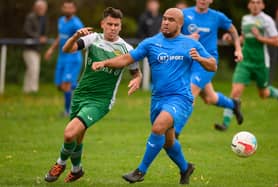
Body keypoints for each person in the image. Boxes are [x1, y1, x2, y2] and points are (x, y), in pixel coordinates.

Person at [92, 8, 216, 185]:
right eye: (164, 19)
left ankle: (140, 171)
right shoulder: (150, 43)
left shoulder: (190, 44)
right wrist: (105, 62)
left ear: (180, 24)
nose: (165, 22)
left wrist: (201, 60)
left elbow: (213, 65)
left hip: (180, 99)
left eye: (171, 20)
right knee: (168, 142)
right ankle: (185, 168)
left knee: (158, 128)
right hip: (158, 99)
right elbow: (126, 59)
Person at [44, 7, 142, 183]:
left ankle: (60, 163)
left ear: (120, 27)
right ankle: (76, 169)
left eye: (116, 25)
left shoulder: (126, 49)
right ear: (102, 24)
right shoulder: (92, 38)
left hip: (101, 101)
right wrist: (75, 36)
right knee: (77, 136)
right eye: (110, 24)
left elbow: (136, 72)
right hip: (81, 94)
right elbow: (67, 50)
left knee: (69, 133)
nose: (113, 28)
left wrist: (137, 79)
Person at [180, 0, 243, 135]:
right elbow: (173, 34)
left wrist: (238, 49)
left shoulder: (216, 16)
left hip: (207, 61)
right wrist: (188, 37)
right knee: (210, 98)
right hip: (189, 60)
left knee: (190, 93)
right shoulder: (184, 14)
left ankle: (175, 133)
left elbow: (232, 29)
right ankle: (233, 104)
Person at [215, 0, 278, 131]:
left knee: (264, 93)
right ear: (249, 5)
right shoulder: (245, 19)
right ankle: (225, 124)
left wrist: (260, 38)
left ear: (262, 5)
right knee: (235, 92)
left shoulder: (267, 20)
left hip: (261, 63)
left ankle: (277, 93)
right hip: (245, 61)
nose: (255, 5)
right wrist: (232, 39)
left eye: (258, 2)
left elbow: (276, 41)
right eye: (252, 2)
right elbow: (243, 38)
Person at [44, 0, 84, 116]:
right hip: (62, 57)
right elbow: (60, 37)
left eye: (70, 8)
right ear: (62, 9)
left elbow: (83, 40)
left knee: (66, 86)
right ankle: (87, 88)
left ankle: (68, 111)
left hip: (72, 58)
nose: (68, 10)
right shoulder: (61, 20)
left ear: (74, 10)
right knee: (60, 85)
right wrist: (51, 49)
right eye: (65, 7)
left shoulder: (77, 24)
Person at [23, 0, 48, 93]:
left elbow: (44, 33)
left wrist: (44, 38)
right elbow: (26, 31)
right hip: (29, 48)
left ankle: (27, 90)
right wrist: (38, 38)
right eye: (40, 8)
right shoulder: (31, 17)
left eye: (43, 8)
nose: (42, 10)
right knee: (33, 69)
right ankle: (33, 90)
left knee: (32, 70)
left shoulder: (44, 18)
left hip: (37, 48)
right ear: (35, 8)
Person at [268, 7, 278, 83]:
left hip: (276, 47)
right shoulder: (272, 23)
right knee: (270, 65)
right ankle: (268, 83)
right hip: (272, 48)